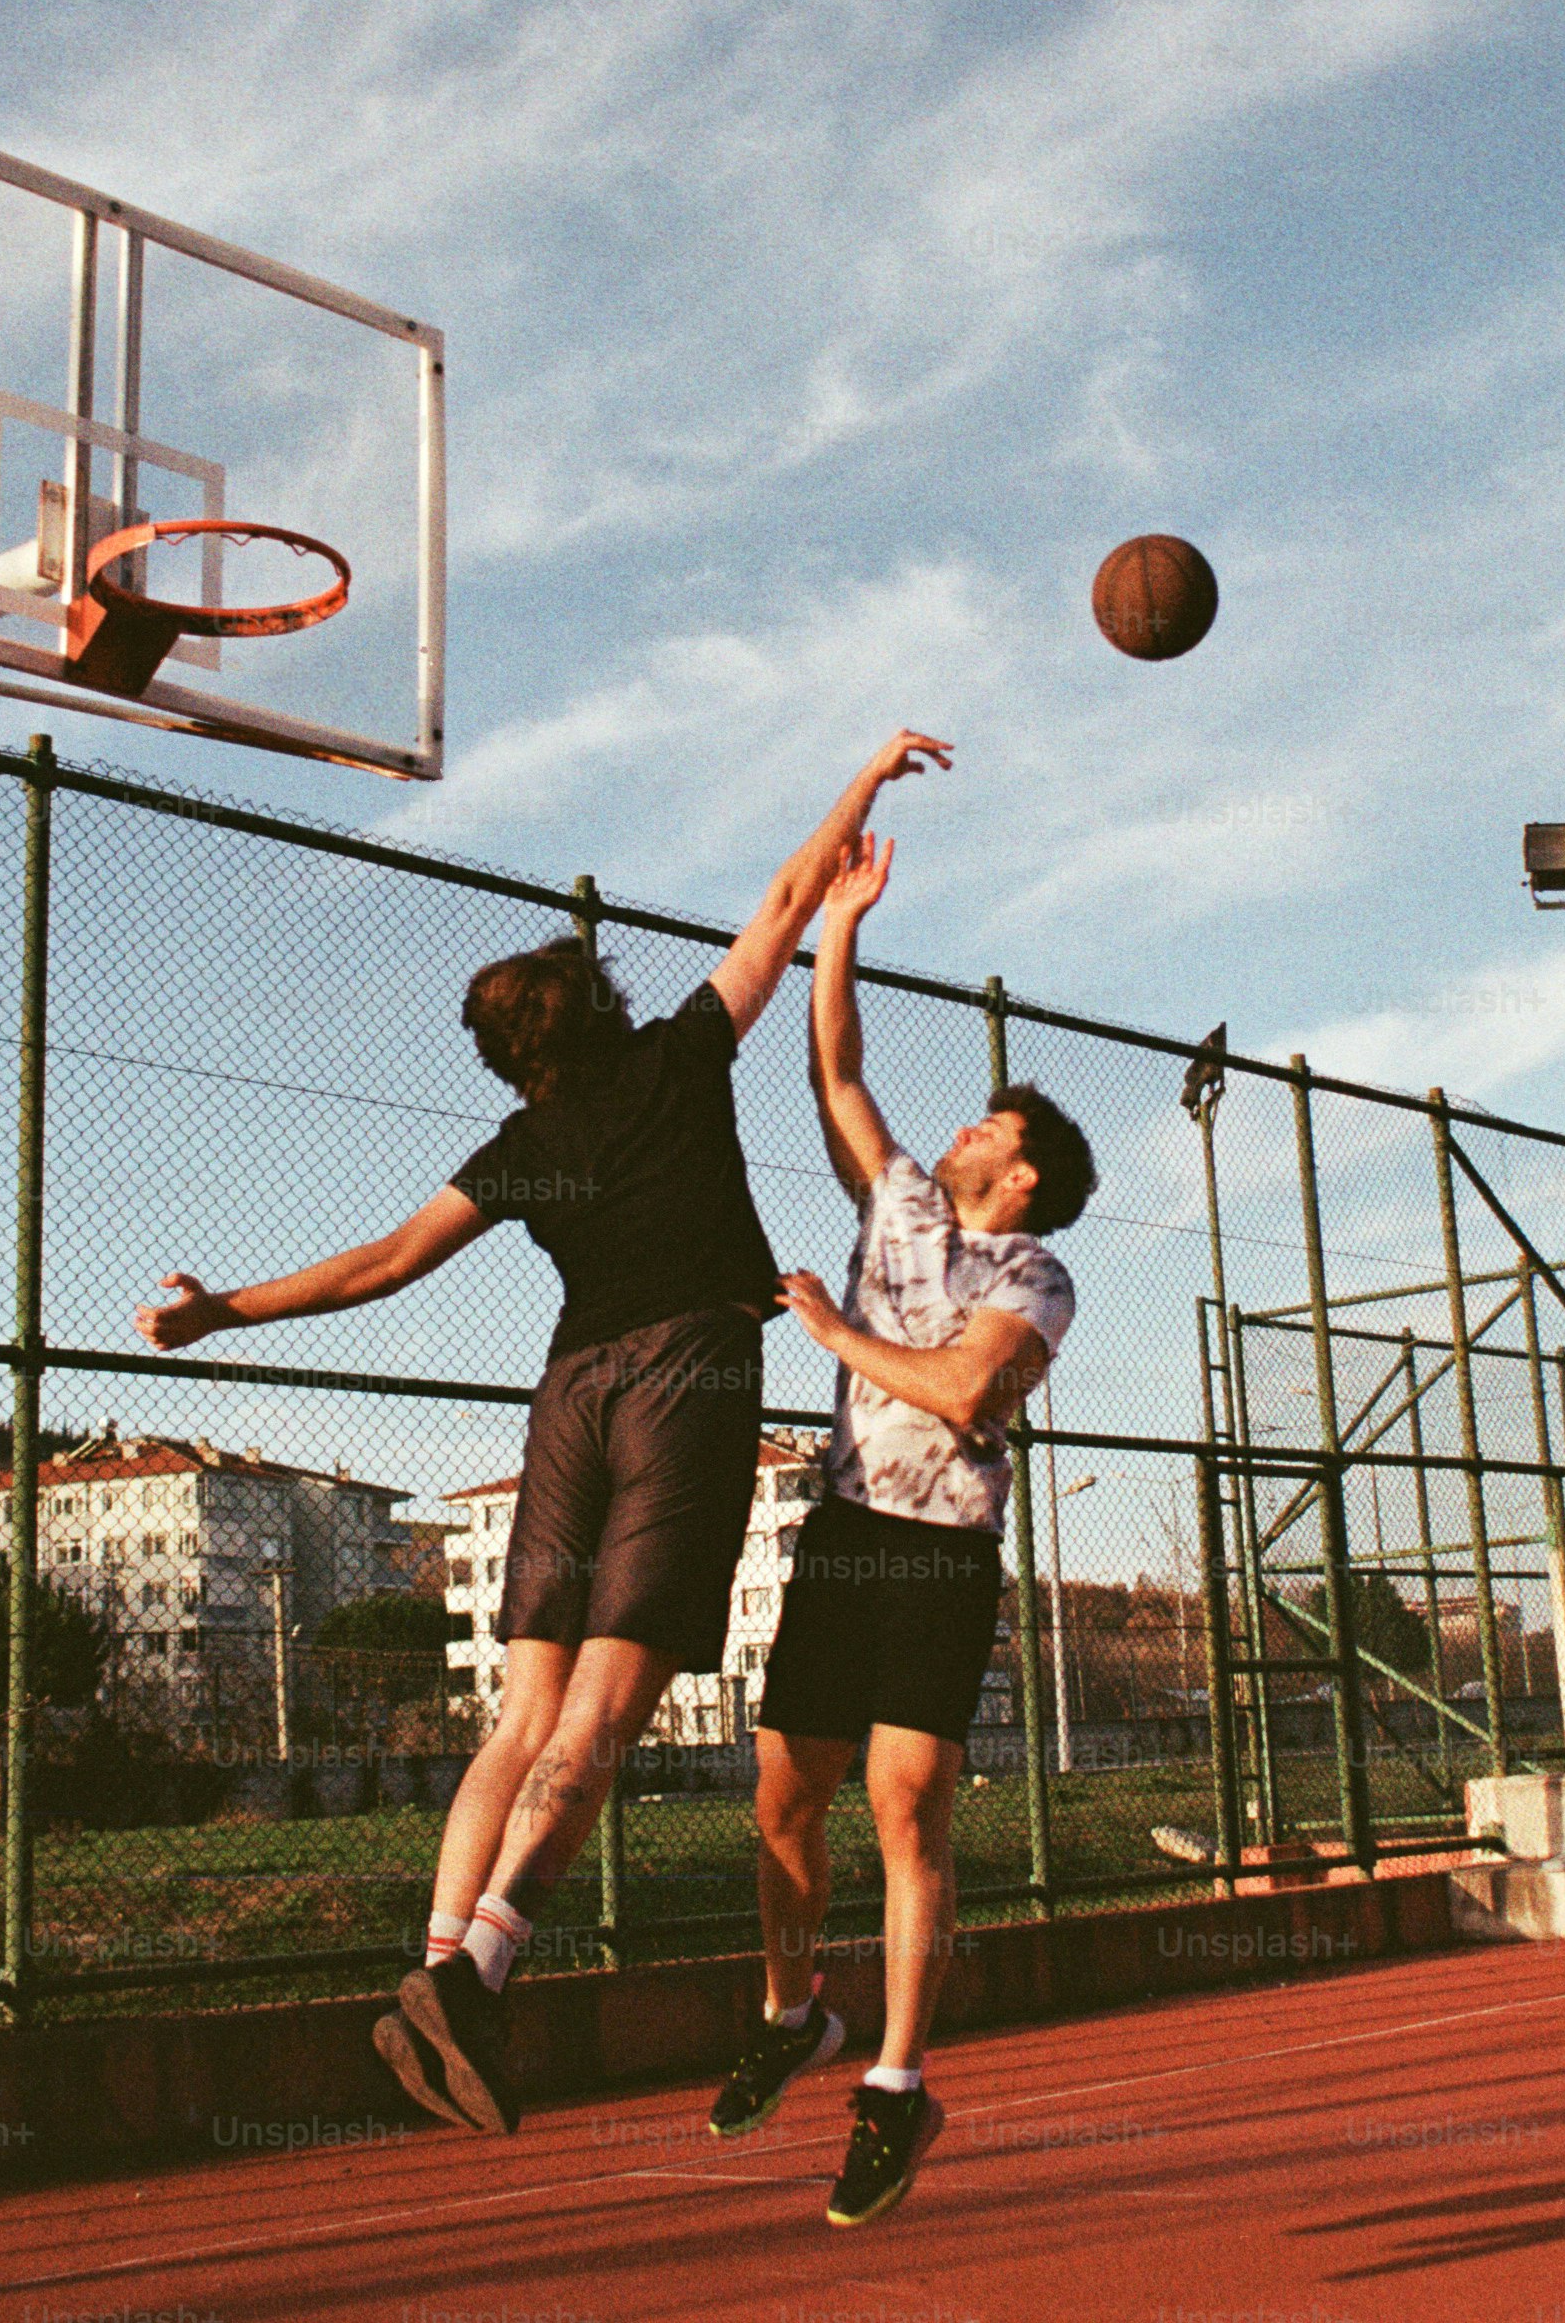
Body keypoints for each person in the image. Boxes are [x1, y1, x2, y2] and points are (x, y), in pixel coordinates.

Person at [135, 729, 957, 2137]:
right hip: (685, 1381)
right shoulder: (680, 1056)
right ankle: (483, 1984)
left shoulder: (519, 1150)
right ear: (598, 1009)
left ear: (511, 1057)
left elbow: (387, 1262)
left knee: (522, 1721)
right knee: (603, 1717)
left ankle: (441, 1969)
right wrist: (863, 784)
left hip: (566, 1397)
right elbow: (781, 897)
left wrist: (225, 1313)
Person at [708, 827, 1095, 2226]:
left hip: (939, 1556)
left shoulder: (1038, 1274)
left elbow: (956, 1385)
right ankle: (792, 2009)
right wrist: (844, 924)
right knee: (782, 1795)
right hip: (847, 1535)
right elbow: (837, 1069)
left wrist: (823, 1324)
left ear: (1026, 1170)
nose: (961, 1128)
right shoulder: (902, 1203)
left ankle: (896, 2085)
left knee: (906, 1805)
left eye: (988, 1126)